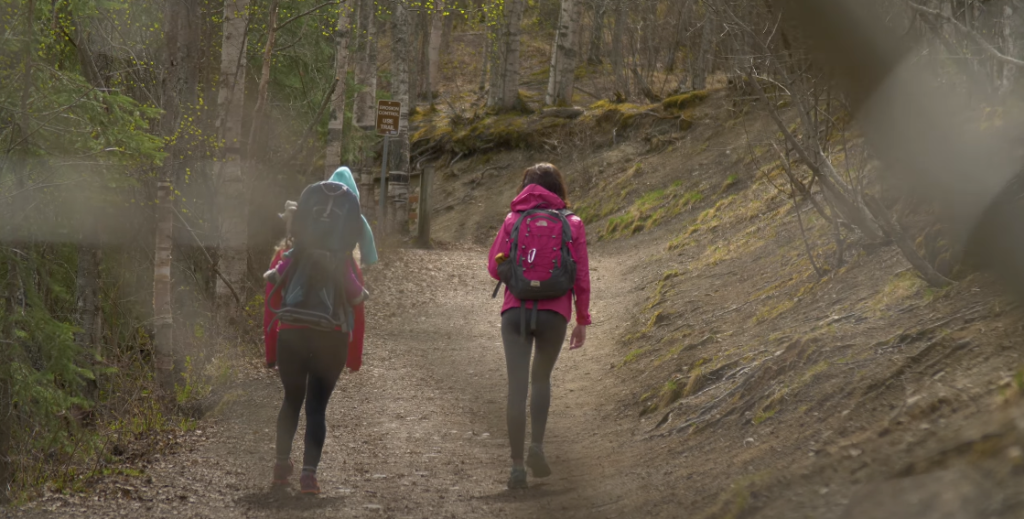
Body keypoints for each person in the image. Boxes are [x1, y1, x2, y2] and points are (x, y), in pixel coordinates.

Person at [262, 168, 377, 495]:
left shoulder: (287, 255)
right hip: (332, 336)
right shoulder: (346, 264)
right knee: (316, 408)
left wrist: (271, 353)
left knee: (291, 401)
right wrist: (354, 359)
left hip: (292, 333)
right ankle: (309, 477)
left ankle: (280, 467)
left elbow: (271, 304)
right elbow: (357, 311)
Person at [487, 163, 592, 489]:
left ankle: (517, 467)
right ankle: (537, 447)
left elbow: (494, 266)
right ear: (557, 189)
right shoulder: (572, 223)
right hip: (554, 314)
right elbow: (581, 277)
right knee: (541, 379)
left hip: (515, 311)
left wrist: (514, 274)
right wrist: (582, 319)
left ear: (526, 188)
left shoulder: (512, 220)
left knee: (516, 387)